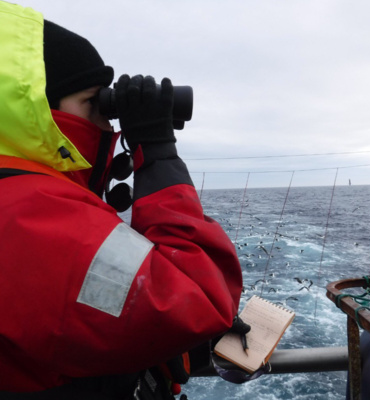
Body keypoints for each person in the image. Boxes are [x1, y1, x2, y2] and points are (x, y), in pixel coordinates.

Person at [0, 2, 242, 398]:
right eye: (94, 103)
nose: (106, 124)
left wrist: (181, 344)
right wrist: (158, 151)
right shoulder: (25, 213)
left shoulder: (21, 199)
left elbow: (87, 322)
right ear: (34, 111)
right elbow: (198, 299)